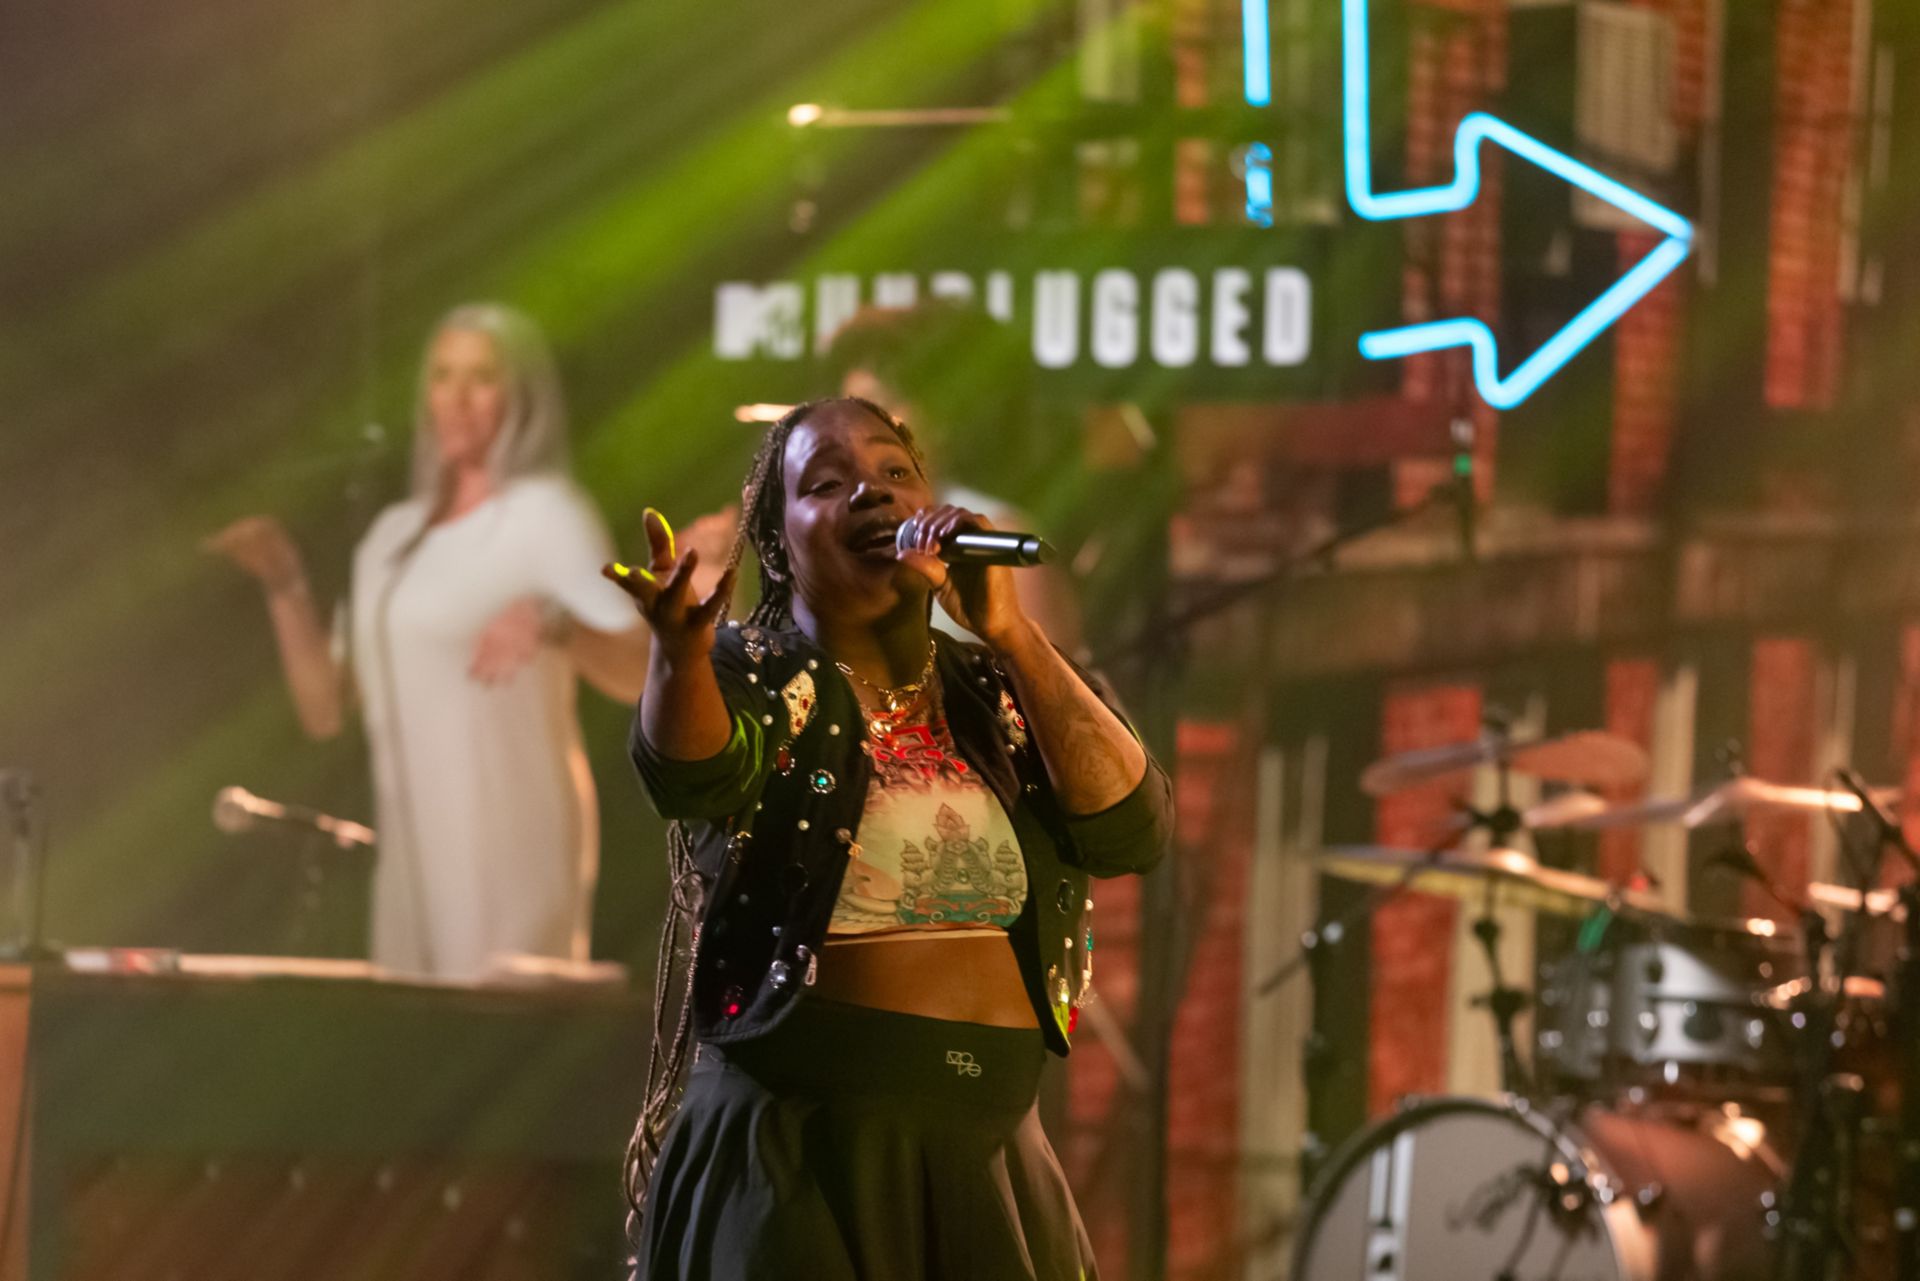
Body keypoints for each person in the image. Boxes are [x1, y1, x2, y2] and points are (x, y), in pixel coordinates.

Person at [606, 396, 1173, 1279]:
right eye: (826, 483)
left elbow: (1132, 827)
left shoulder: (994, 689)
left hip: (988, 1152)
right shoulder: (752, 672)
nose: (870, 492)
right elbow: (693, 771)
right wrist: (678, 658)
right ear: (779, 544)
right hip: (800, 1160)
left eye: (894, 472)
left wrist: (1013, 633)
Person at [206, 303, 649, 980]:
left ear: (521, 398)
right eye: (443, 376)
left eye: (482, 378)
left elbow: (643, 674)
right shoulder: (391, 539)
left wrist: (554, 624)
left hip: (513, 852)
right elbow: (325, 710)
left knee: (498, 1020)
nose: (459, 398)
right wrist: (285, 583)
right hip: (413, 871)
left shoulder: (547, 518)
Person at [826, 302, 1086, 655]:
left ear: (939, 417)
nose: (861, 430)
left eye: (883, 406)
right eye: (851, 411)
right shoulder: (830, 538)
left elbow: (1055, 680)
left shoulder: (995, 539)